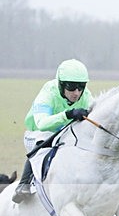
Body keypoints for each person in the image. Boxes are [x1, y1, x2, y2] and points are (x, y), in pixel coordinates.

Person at [13, 59, 94, 203]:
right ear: (61, 84)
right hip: (36, 134)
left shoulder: (86, 95)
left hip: (64, 134)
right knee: (45, 139)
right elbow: (42, 123)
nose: (76, 93)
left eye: (81, 87)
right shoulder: (48, 92)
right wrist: (67, 114)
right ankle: (23, 185)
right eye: (72, 87)